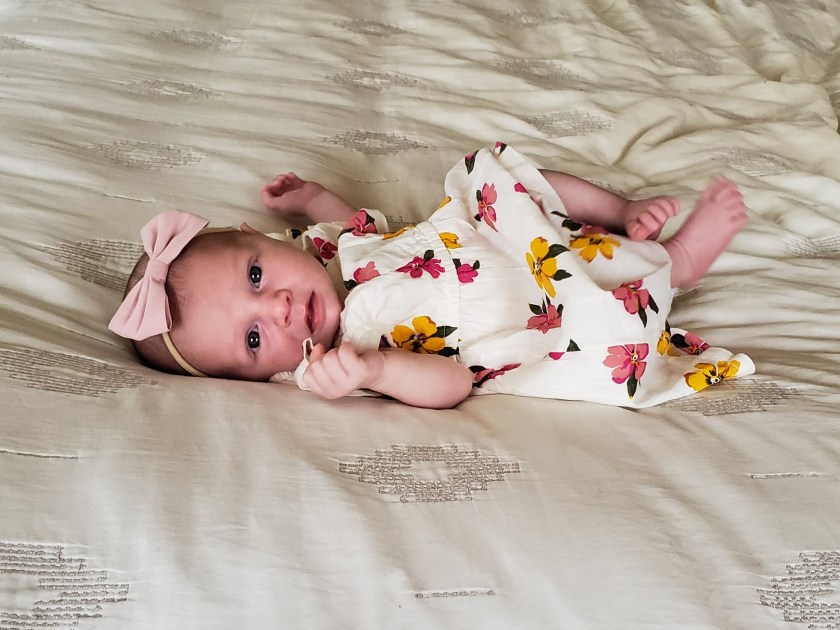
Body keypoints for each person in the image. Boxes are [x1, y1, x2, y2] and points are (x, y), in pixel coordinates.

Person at [109, 143, 753, 409]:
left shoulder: (327, 253)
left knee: (494, 173)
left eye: (255, 275)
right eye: (253, 339)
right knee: (607, 301)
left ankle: (620, 211)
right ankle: (680, 263)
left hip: (505, 237)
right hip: (536, 312)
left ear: (262, 238)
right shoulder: (341, 361)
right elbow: (453, 384)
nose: (276, 307)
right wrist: (376, 370)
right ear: (261, 377)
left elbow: (353, 222)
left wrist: (311, 198)